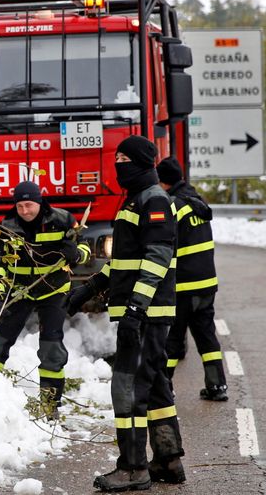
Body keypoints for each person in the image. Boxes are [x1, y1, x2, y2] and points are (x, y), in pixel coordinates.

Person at [66, 136, 186, 491]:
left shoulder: (154, 200)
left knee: (127, 387)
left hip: (146, 312)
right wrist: (91, 288)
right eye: (116, 158)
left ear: (141, 163)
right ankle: (167, 458)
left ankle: (132, 468)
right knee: (156, 386)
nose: (118, 164)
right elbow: (123, 263)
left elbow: (157, 258)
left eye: (124, 158)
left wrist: (136, 308)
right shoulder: (135, 200)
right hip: (143, 310)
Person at [0, 181, 90, 418]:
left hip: (53, 290)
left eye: (29, 205)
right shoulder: (7, 225)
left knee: (51, 346)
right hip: (20, 290)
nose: (25, 211)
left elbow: (84, 246)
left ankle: (50, 407)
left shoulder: (62, 220)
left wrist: (78, 254)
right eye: (19, 206)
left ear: (39, 202)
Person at [156, 157, 228, 401]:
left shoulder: (174, 206)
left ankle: (164, 390)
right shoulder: (198, 201)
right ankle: (217, 386)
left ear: (162, 182)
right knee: (206, 336)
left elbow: (164, 243)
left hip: (183, 286)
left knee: (173, 340)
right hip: (206, 284)